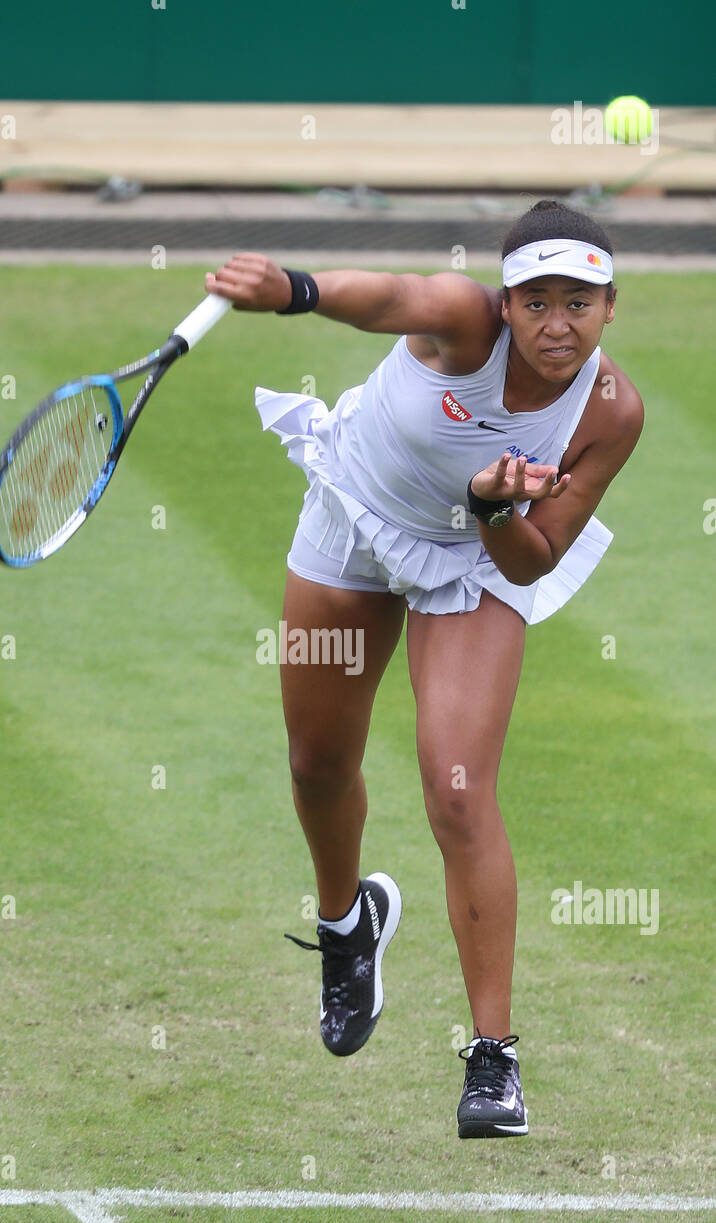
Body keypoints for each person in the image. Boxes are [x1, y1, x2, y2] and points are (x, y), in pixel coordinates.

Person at [205, 200, 644, 1138]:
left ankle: (494, 1060)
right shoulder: (459, 317)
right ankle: (345, 924)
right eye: (535, 302)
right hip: (356, 516)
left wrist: (490, 509)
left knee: (457, 791)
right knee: (316, 764)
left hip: (477, 558)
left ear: (612, 306)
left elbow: (532, 560)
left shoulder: (611, 414)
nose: (555, 324)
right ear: (506, 299)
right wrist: (295, 292)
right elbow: (390, 297)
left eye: (579, 302)